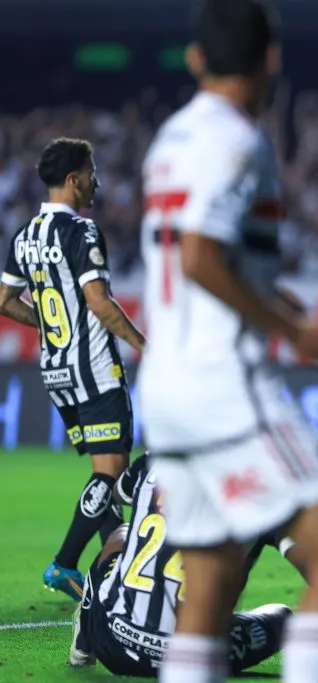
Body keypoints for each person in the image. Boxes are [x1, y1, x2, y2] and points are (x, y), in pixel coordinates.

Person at [137, 2, 318, 682]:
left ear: (195, 58)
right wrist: (292, 327)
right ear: (271, 58)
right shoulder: (238, 140)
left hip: (168, 387)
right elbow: (200, 257)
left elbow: (204, 255)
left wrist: (275, 298)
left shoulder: (172, 138)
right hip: (223, 383)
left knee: (208, 584)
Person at [69, 455, 318, 683]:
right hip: (193, 653)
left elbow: (118, 495)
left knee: (118, 536)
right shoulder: (260, 490)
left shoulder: (158, 458)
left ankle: (82, 644)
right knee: (283, 616)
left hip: (114, 645)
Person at [0, 137, 145, 601]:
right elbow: (98, 301)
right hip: (96, 368)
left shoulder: (24, 236)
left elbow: (4, 300)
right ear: (73, 179)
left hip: (57, 373)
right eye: (92, 173)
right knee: (111, 475)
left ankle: (115, 572)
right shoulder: (81, 232)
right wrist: (145, 346)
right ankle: (65, 564)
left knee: (102, 474)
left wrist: (46, 325)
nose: (96, 182)